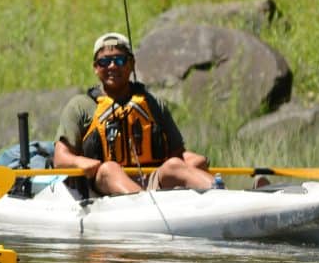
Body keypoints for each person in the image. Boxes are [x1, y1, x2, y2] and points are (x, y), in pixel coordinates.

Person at [53, 32, 214, 195]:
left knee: (174, 165)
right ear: (96, 68)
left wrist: (192, 162)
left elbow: (177, 154)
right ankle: (144, 204)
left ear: (131, 64)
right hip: (102, 185)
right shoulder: (80, 106)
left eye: (120, 60)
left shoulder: (153, 104)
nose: (112, 66)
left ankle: (223, 192)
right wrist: (80, 162)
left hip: (152, 180)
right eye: (104, 62)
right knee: (110, 169)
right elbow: (60, 158)